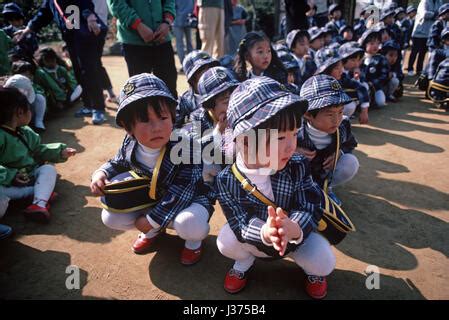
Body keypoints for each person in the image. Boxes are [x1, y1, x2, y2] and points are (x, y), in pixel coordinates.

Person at [215, 76, 335, 299]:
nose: (291, 146)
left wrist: (294, 228)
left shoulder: (297, 164)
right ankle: (244, 261)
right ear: (246, 140)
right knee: (226, 241)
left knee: (324, 262)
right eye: (280, 137)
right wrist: (265, 231)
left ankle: (313, 272)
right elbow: (239, 221)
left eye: (294, 133)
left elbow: (311, 203)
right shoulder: (227, 179)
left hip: (295, 237)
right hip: (258, 238)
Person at [91, 73, 213, 264]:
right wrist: (101, 173)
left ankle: (193, 243)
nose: (157, 127)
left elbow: (184, 188)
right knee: (110, 216)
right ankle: (154, 231)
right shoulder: (130, 143)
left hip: (190, 200)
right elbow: (117, 162)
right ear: (127, 127)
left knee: (189, 224)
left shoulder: (185, 146)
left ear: (173, 117)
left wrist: (153, 219)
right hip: (155, 199)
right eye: (145, 120)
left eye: (163, 117)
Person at [17, 0, 109, 125]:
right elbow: (42, 15)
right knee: (78, 72)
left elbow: (85, 3)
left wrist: (90, 16)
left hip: (85, 36)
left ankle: (98, 108)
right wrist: (28, 29)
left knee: (90, 71)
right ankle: (88, 105)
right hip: (70, 38)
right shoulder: (50, 2)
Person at [0, 86, 76, 222]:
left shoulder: (25, 131)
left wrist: (59, 151)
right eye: (29, 109)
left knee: (48, 169)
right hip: (7, 183)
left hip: (29, 176)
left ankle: (38, 204)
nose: (31, 112)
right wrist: (11, 176)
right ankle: (38, 194)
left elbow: (38, 150)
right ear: (20, 112)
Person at [298, 74, 359, 205]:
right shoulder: (293, 130)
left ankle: (326, 188)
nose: (336, 120)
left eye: (341, 112)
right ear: (308, 114)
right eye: (330, 114)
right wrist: (291, 151)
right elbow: (270, 149)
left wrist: (339, 153)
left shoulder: (343, 125)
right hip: (298, 177)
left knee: (351, 162)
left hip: (323, 174)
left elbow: (350, 144)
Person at [107, 0, 178, 98]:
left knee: (169, 88)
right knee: (140, 93)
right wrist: (138, 26)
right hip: (134, 41)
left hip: (162, 39)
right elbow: (116, 4)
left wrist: (167, 22)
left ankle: (171, 113)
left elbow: (170, 1)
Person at [175, 50, 220, 127]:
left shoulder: (226, 92)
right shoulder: (184, 104)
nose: (210, 73)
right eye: (203, 70)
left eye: (211, 67)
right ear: (192, 80)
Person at [408, 0, 443, 76]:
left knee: (423, 53)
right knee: (414, 52)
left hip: (429, 33)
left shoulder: (439, 2)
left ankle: (419, 70)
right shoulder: (424, 1)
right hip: (419, 32)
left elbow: (441, 13)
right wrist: (435, 14)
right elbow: (424, 14)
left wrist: (435, 14)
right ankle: (410, 69)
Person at [359, 28, 390, 107]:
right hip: (361, 85)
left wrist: (372, 83)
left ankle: (373, 98)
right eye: (372, 43)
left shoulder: (381, 58)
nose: (375, 46)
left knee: (380, 102)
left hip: (376, 87)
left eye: (377, 43)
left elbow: (384, 76)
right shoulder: (359, 58)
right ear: (364, 44)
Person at [174, 0, 195, 68]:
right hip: (188, 19)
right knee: (189, 43)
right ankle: (192, 63)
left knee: (180, 44)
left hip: (178, 20)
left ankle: (184, 64)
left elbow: (173, 6)